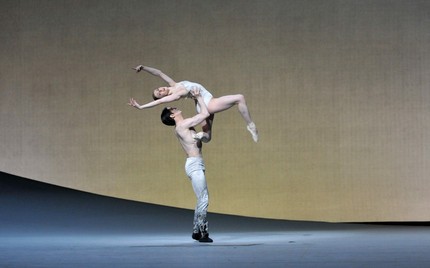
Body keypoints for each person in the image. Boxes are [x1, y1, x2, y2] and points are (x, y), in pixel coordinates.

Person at [128, 65, 258, 143]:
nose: (161, 90)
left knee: (208, 136)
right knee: (239, 98)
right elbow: (159, 102)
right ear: (163, 96)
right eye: (160, 93)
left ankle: (201, 136)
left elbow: (159, 73)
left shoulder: (174, 84)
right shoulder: (175, 95)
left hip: (201, 104)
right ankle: (250, 125)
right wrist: (141, 107)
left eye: (159, 89)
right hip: (207, 102)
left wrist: (144, 67)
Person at [160, 88, 213, 243]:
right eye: (172, 108)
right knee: (203, 198)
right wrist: (198, 97)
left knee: (200, 198)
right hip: (194, 164)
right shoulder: (182, 125)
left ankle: (196, 231)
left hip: (196, 163)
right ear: (172, 115)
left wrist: (204, 136)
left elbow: (204, 138)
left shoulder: (185, 126)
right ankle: (202, 232)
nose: (174, 106)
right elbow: (204, 114)